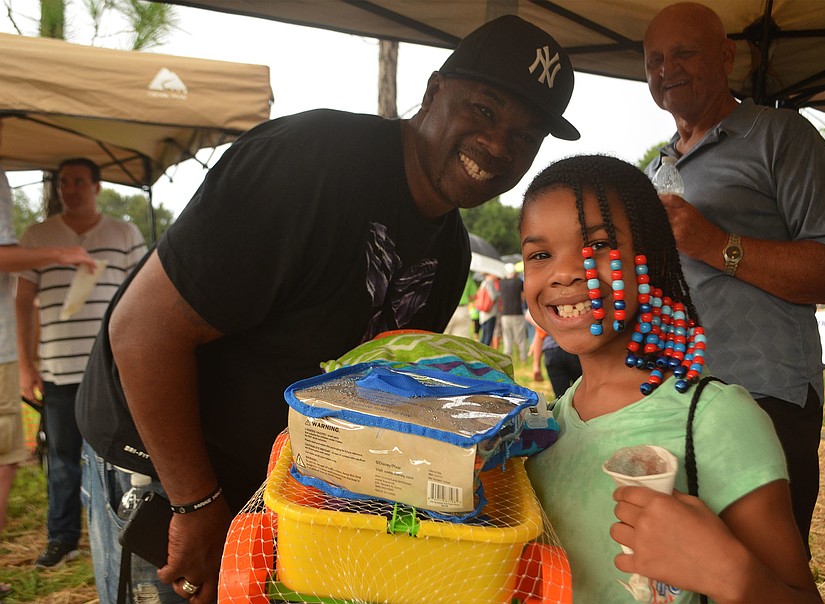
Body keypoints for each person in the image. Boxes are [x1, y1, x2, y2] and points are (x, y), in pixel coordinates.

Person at [74, 15, 581, 603]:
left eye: (525, 136)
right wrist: (197, 503)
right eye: (484, 110)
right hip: (163, 468)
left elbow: (381, 397)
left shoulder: (449, 256)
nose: (498, 146)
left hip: (268, 488)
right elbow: (140, 331)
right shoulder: (311, 164)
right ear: (434, 89)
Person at [522, 155, 821, 603]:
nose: (564, 273)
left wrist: (728, 572)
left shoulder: (716, 420)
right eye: (540, 254)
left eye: (599, 245)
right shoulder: (550, 427)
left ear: (653, 256)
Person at [643, 2, 825, 553]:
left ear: (727, 56)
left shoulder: (780, 135)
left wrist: (713, 243)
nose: (668, 69)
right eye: (654, 60)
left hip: (764, 396)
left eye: (684, 52)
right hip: (673, 393)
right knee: (686, 567)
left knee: (764, 568)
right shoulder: (658, 168)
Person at [15, 157, 146, 569]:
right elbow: (21, 304)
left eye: (77, 181)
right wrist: (25, 365)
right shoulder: (37, 235)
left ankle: (130, 530)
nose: (69, 189)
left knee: (123, 456)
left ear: (96, 187)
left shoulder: (124, 232)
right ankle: (63, 539)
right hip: (58, 368)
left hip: (111, 370)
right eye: (62, 182)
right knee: (62, 461)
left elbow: (141, 297)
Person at [499, 262, 527, 362]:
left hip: (505, 314)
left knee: (507, 338)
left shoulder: (501, 283)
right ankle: (523, 358)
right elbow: (523, 297)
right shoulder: (519, 282)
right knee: (520, 338)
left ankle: (507, 359)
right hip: (517, 313)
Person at [443, 272, 478, 338]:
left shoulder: (445, 273)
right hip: (462, 310)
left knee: (441, 339)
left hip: (446, 309)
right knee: (460, 340)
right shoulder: (467, 275)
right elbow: (473, 295)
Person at [475, 272, 501, 347]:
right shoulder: (489, 283)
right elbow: (493, 297)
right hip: (490, 313)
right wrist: (498, 294)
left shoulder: (483, 283)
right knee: (487, 336)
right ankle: (483, 353)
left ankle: (480, 351)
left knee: (484, 333)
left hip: (483, 312)